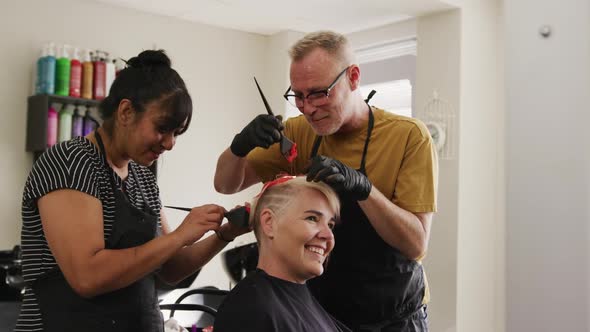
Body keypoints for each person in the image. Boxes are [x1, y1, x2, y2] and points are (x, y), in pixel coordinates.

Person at [214, 31, 438, 331]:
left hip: (394, 317)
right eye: (298, 96)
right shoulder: (300, 133)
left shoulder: (409, 137)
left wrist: (364, 190)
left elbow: (416, 244)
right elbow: (226, 184)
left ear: (353, 78)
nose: (307, 108)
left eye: (319, 93)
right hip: (324, 312)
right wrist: (239, 147)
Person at [15, 50, 247, 332]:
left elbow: (169, 270)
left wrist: (223, 235)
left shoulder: (143, 178)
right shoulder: (71, 161)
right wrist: (179, 236)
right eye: (163, 128)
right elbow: (87, 276)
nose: (170, 143)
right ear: (126, 112)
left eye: (177, 133)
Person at [214, 176, 351, 332]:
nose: (329, 236)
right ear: (269, 223)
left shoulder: (312, 309)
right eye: (312, 218)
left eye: (330, 225)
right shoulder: (249, 309)